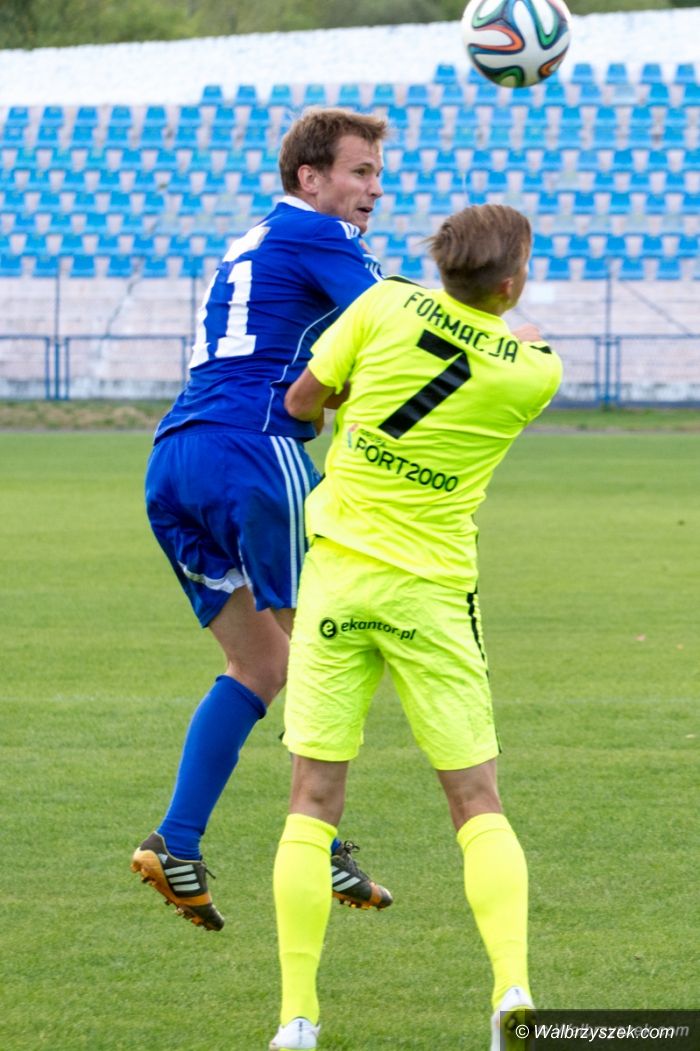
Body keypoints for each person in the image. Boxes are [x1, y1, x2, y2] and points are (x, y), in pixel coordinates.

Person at [270, 203, 562, 1051]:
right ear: (510, 282)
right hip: (431, 593)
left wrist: (355, 391)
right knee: (476, 800)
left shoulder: (384, 303)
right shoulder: (533, 371)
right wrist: (509, 324)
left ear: (440, 265)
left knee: (312, 800)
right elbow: (505, 346)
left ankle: (297, 1019)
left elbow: (301, 402)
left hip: (338, 581)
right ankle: (513, 998)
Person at [130, 108, 394, 932]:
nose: (373, 191)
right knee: (326, 647)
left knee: (262, 663)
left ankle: (176, 840)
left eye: (377, 176)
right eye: (359, 172)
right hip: (254, 451)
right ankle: (323, 842)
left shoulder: (251, 241)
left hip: (176, 455)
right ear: (310, 177)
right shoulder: (324, 235)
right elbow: (399, 328)